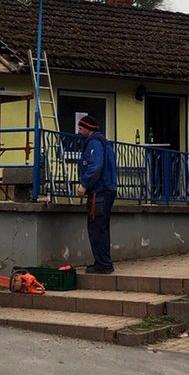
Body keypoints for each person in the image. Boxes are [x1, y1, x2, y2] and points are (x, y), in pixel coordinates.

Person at [76, 115, 117, 274]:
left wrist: (84, 184)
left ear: (88, 128)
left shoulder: (94, 142)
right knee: (102, 227)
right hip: (107, 189)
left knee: (96, 227)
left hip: (98, 192)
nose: (79, 132)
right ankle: (104, 262)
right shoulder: (103, 142)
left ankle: (103, 264)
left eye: (80, 128)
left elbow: (95, 166)